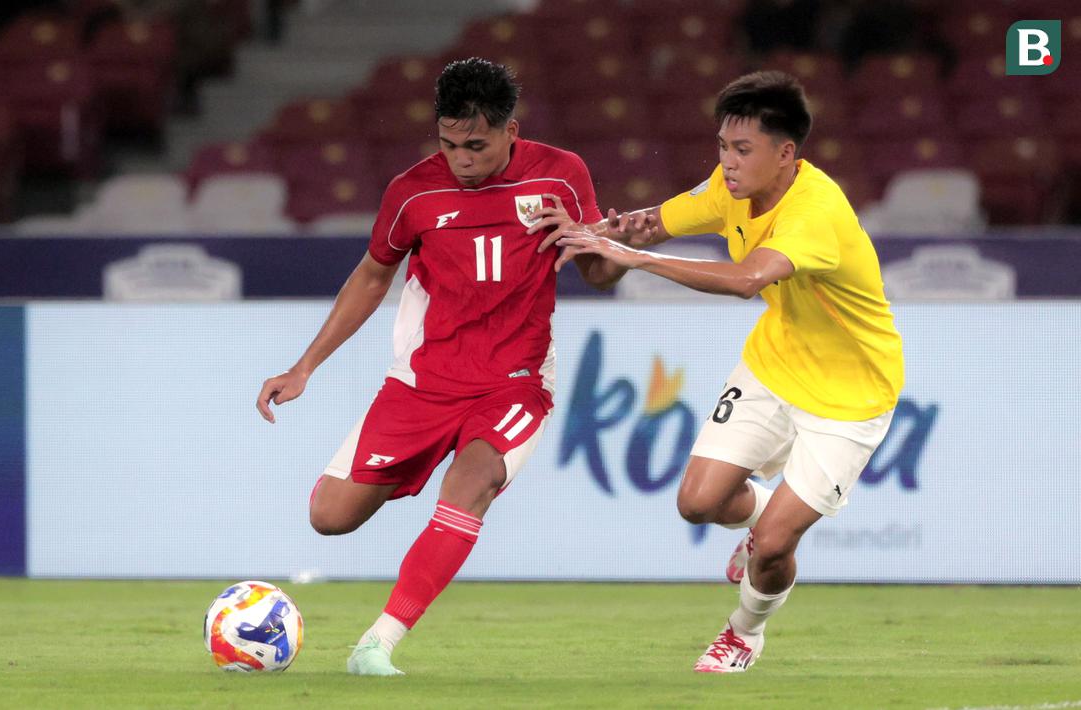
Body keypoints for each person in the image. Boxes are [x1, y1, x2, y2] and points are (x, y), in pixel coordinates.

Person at [531, 71, 904, 673]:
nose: (728, 163)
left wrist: (637, 257)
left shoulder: (815, 212)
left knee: (780, 545)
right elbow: (647, 225)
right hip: (774, 365)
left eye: (743, 150)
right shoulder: (726, 191)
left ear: (786, 153)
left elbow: (746, 279)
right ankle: (760, 521)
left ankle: (744, 632)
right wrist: (593, 235)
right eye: (723, 147)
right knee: (698, 502)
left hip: (851, 395)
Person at [255, 57, 604, 676]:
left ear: (511, 132)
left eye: (476, 145)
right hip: (422, 385)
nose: (461, 159)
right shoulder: (413, 192)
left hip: (514, 382)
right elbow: (370, 278)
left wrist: (588, 239)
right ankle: (418, 483)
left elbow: (602, 273)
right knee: (329, 516)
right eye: (448, 144)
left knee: (471, 484)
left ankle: (377, 644)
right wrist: (305, 365)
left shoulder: (562, 177)